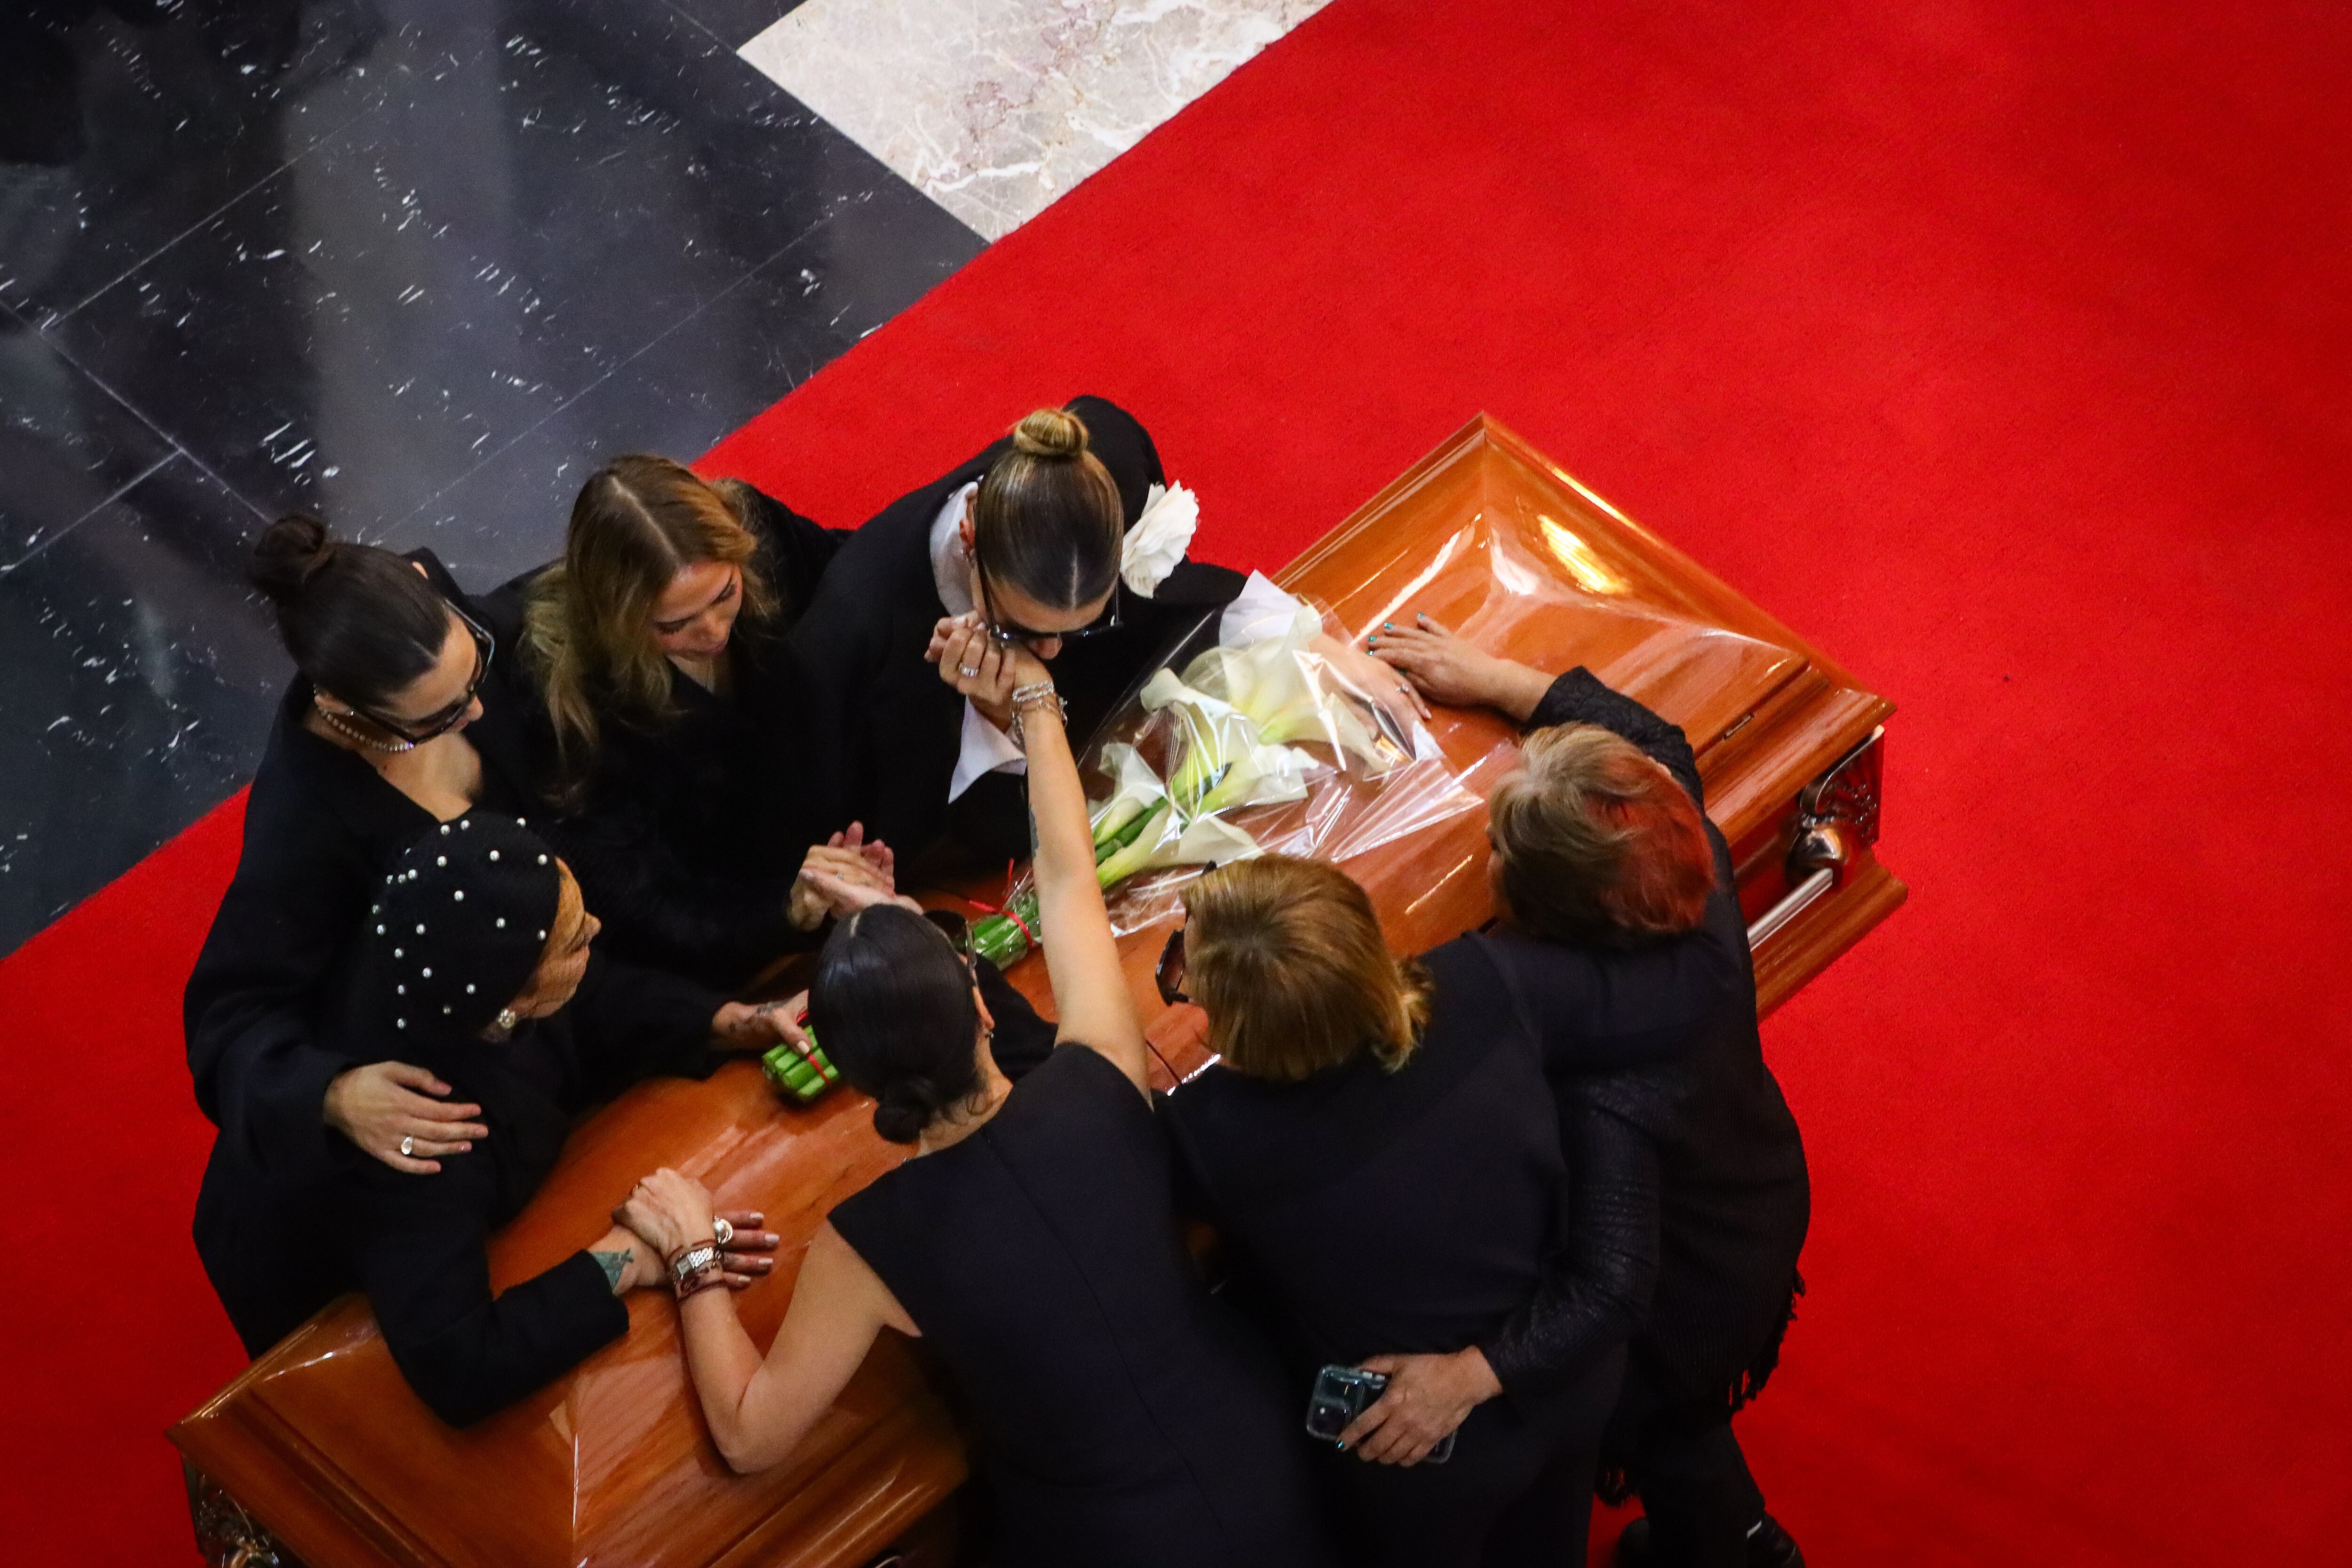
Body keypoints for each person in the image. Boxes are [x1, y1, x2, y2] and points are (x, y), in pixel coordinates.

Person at [613, 625, 1335, 1568]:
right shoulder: (1101, 1072)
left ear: (852, 1075)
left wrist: (696, 1250)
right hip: (1259, 1453)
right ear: (984, 1012)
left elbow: (751, 1437)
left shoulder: (865, 1241)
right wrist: (1035, 706)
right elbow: (1068, 873)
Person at [1370, 614, 1810, 1568]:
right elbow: (1654, 743)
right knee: (1686, 1439)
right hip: (1751, 1188)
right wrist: (1488, 675)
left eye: (1495, 848)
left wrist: (1464, 1378)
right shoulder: (1685, 862)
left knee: (1670, 1428)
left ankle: (1744, 1553)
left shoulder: (1606, 1088)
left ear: (1538, 911)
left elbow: (1609, 1290)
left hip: (1685, 1286)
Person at [193, 816, 783, 1420]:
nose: (597, 932)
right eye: (576, 940)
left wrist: (732, 1021)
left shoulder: (471, 951)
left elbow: (595, 996)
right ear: (508, 1006)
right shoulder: (419, 1143)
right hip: (308, 1251)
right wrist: (623, 1258)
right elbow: (461, 1363)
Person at [1161, 855, 1641, 1568]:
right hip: (1573, 1375)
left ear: (1247, 1027)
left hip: (1424, 1455)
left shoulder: (1214, 1136)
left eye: (1190, 981)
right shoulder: (1481, 977)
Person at [787, 398, 1418, 872]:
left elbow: (1171, 590)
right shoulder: (858, 633)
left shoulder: (1107, 457)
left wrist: (1312, 646)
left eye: (1086, 620)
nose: (1055, 653)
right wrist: (992, 721)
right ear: (971, 534)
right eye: (1024, 630)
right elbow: (944, 835)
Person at [187, 513, 566, 1191]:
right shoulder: (304, 820)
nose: (477, 713)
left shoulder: (428, 621)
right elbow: (228, 1020)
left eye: (474, 672)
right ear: (342, 707)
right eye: (438, 718)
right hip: (466, 1071)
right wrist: (333, 1094)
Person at [514, 455, 891, 989]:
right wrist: (786, 911)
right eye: (675, 624)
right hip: (732, 907)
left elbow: (856, 592)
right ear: (616, 620)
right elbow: (643, 896)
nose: (714, 630)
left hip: (841, 824)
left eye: (725, 595)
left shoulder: (765, 538)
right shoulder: (574, 698)